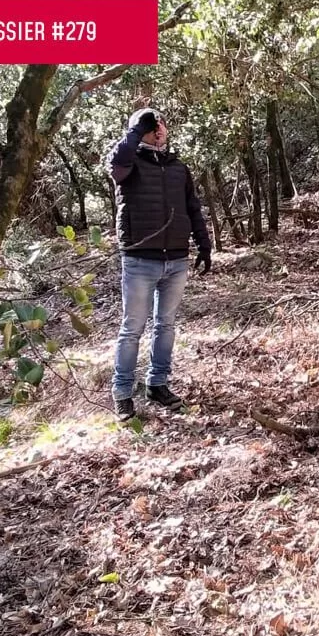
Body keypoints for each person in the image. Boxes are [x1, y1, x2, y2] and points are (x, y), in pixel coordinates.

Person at [105, 106, 212, 422]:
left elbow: (192, 208)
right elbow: (116, 163)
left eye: (161, 122)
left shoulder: (178, 167)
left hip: (176, 259)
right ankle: (122, 393)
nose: (158, 127)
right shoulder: (129, 163)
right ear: (139, 130)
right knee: (132, 328)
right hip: (140, 259)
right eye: (151, 124)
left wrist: (204, 244)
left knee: (166, 325)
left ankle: (158, 384)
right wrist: (137, 129)